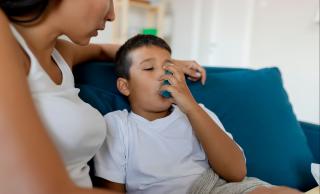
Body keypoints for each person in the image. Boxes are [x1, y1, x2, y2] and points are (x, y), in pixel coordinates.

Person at [0, 1, 206, 194]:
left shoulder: (61, 52)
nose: (112, 15)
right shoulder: (7, 44)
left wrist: (165, 64)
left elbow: (103, 50)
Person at [93, 34, 303, 194]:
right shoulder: (117, 125)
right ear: (124, 86)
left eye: (168, 67)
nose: (163, 74)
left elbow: (236, 173)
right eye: (149, 68)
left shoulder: (197, 112)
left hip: (217, 186)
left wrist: (191, 107)